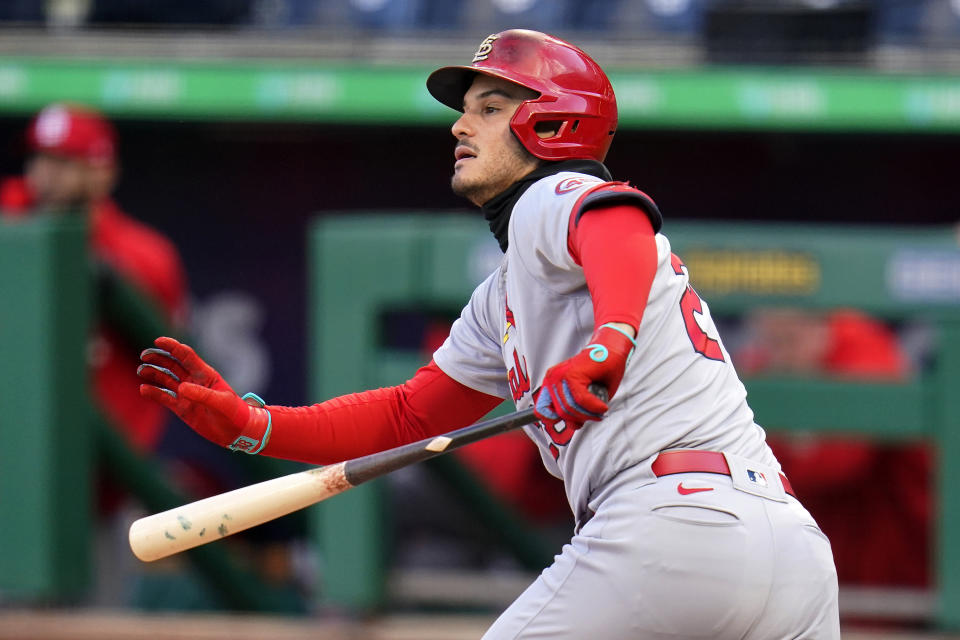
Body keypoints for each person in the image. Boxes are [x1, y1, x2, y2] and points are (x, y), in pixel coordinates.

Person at [138, 30, 839, 638]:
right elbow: (409, 415)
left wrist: (607, 345)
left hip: (671, 531)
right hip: (790, 551)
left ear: (553, 125)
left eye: (490, 108)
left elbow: (616, 218)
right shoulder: (504, 293)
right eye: (464, 110)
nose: (460, 126)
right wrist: (258, 427)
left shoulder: (548, 198)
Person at [1, 102, 189, 454]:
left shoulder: (145, 256)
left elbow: (170, 371)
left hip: (106, 464)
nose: (45, 174)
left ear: (103, 172)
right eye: (38, 158)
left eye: (64, 162)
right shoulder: (10, 216)